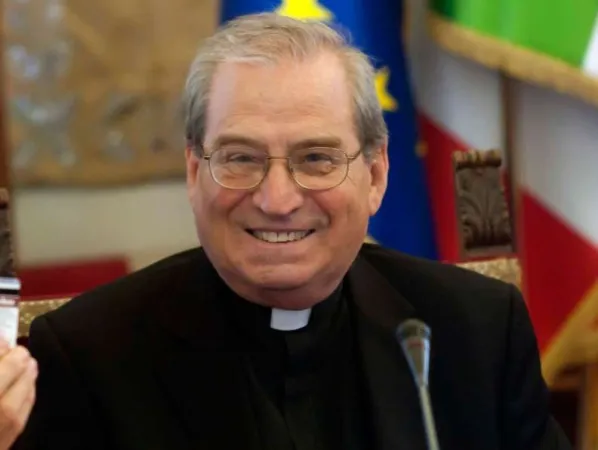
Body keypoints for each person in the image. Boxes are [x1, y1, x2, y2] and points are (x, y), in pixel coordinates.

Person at [11, 12, 571, 450]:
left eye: (316, 159)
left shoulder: (475, 330)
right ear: (194, 172)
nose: (276, 200)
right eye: (240, 158)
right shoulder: (89, 355)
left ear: (375, 176)